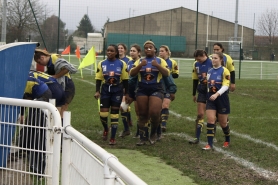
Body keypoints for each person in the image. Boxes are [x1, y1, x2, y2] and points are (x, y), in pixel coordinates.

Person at [129, 40, 169, 145]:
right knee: (142, 114)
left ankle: (154, 133)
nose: (148, 49)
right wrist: (140, 66)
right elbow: (132, 74)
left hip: (156, 88)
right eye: (146, 48)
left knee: (155, 113)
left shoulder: (160, 61)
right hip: (142, 88)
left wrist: (157, 66)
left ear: (154, 49)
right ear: (143, 50)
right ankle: (143, 137)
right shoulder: (140, 61)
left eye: (150, 47)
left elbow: (166, 74)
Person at [94, 44, 129, 145]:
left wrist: (126, 94)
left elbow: (126, 80)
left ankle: (112, 138)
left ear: (116, 53)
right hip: (105, 90)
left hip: (117, 90)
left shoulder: (122, 64)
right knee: (103, 114)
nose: (109, 52)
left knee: (114, 114)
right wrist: (97, 91)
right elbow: (98, 79)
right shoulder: (102, 63)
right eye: (108, 51)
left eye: (111, 51)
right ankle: (106, 129)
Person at [33, 49, 77, 122]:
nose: (40, 64)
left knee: (63, 108)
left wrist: (56, 76)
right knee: (56, 109)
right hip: (59, 87)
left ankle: (61, 127)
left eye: (39, 62)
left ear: (42, 58)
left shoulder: (54, 57)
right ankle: (57, 125)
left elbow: (66, 68)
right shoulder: (49, 64)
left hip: (67, 85)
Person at [202, 52, 231, 150]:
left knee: (223, 123)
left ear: (221, 60)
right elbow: (208, 86)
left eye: (215, 58)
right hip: (211, 98)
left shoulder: (225, 71)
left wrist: (217, 94)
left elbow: (226, 85)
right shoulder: (209, 71)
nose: (213, 60)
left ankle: (227, 139)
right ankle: (209, 144)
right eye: (212, 58)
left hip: (222, 99)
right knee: (210, 120)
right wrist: (208, 95)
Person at [210, 43, 235, 139]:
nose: (215, 51)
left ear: (222, 49)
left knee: (221, 113)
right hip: (212, 87)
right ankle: (213, 135)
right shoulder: (210, 58)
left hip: (223, 86)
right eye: (214, 49)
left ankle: (225, 123)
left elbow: (232, 71)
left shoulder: (227, 58)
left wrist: (232, 83)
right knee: (212, 115)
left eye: (217, 49)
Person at [189, 50, 213, 144]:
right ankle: (197, 137)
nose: (198, 61)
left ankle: (212, 135)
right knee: (200, 114)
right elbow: (195, 79)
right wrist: (194, 93)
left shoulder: (212, 62)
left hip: (212, 90)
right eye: (196, 59)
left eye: (199, 59)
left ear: (204, 55)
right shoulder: (196, 64)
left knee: (212, 115)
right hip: (202, 90)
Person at [119, 44, 141, 138]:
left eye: (134, 51)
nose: (132, 52)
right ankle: (126, 129)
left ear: (139, 53)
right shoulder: (128, 62)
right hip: (130, 90)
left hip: (139, 90)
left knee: (138, 112)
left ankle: (139, 132)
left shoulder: (142, 62)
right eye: (131, 51)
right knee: (122, 108)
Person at [158, 45, 179, 132]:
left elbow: (176, 74)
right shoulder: (157, 61)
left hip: (168, 86)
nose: (160, 53)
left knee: (165, 105)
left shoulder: (172, 62)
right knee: (158, 107)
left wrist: (169, 73)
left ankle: (163, 125)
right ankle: (158, 123)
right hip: (158, 86)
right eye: (159, 51)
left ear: (167, 52)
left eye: (162, 51)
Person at [118, 43, 133, 134]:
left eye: (121, 48)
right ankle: (129, 120)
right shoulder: (114, 60)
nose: (120, 49)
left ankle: (127, 124)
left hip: (126, 85)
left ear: (125, 50)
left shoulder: (129, 60)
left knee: (123, 105)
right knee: (121, 104)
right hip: (117, 85)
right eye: (118, 48)